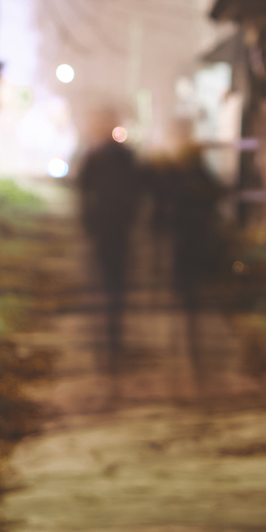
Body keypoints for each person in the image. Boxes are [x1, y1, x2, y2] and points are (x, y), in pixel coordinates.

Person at [148, 117, 223, 367]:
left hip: (184, 231)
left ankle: (185, 343)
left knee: (184, 286)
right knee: (185, 286)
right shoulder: (176, 161)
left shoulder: (176, 161)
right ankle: (186, 343)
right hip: (186, 230)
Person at [75, 105, 140, 373]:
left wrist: (88, 221)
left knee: (108, 280)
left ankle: (110, 334)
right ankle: (111, 333)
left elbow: (83, 189)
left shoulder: (101, 156)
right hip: (113, 227)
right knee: (113, 281)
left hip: (109, 227)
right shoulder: (111, 156)